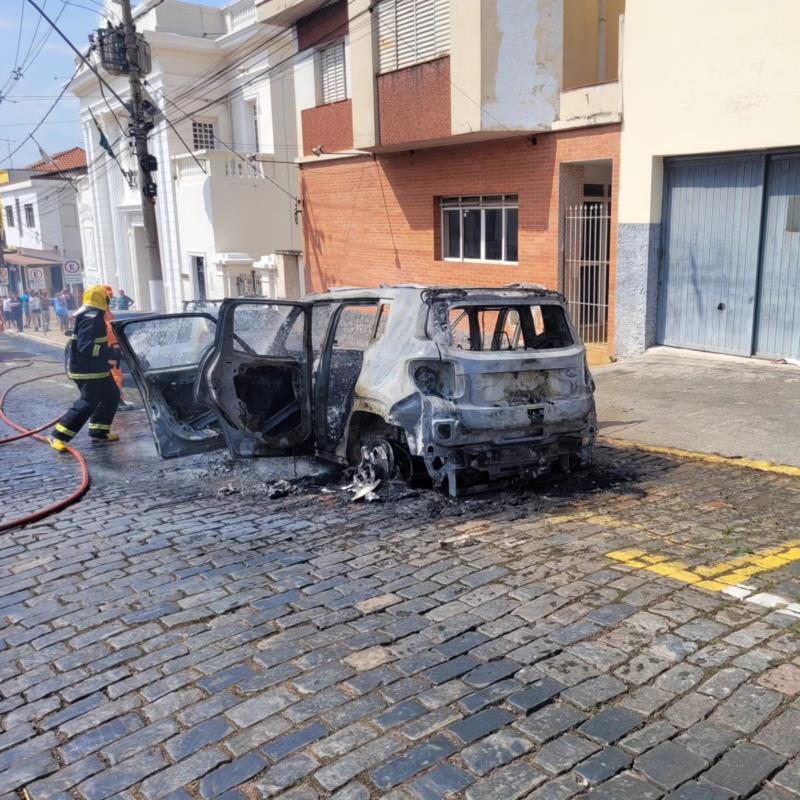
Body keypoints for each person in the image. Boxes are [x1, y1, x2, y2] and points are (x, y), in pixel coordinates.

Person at [49, 285, 123, 451]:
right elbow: (86, 347)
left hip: (97, 369)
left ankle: (99, 432)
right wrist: (113, 353)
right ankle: (57, 436)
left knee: (112, 396)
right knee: (88, 402)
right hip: (86, 371)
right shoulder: (92, 318)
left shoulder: (94, 315)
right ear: (104, 300)